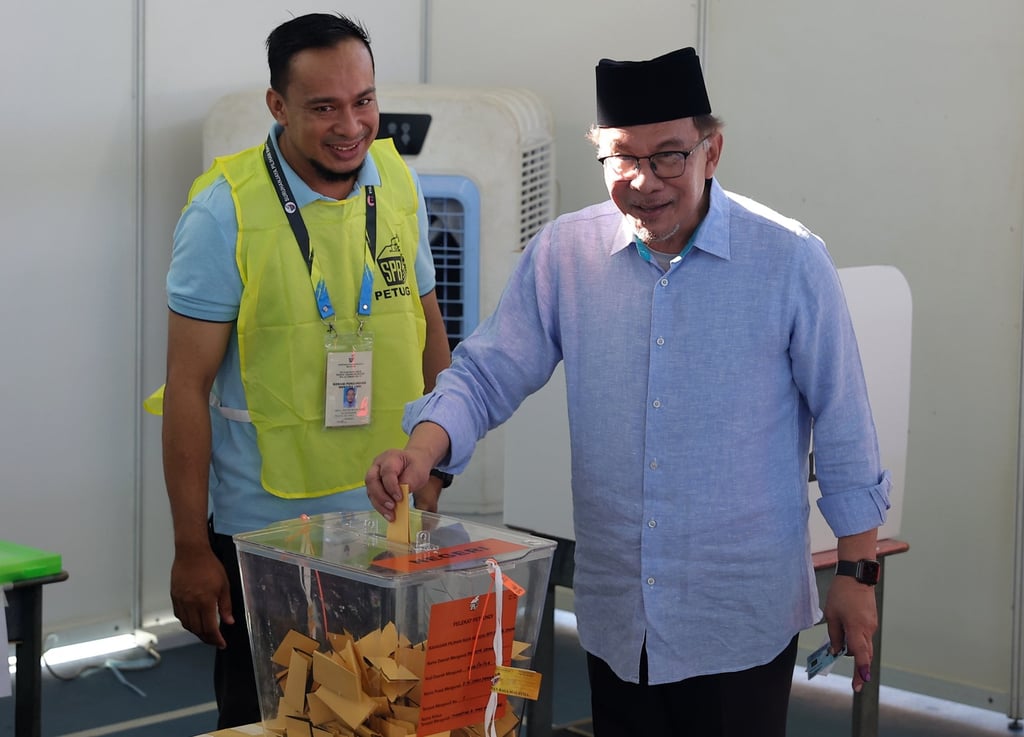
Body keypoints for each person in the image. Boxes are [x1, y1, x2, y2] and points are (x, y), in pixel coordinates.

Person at [365, 47, 891, 737]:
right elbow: (487, 371)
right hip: (621, 616)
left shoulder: (789, 261)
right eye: (622, 158)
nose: (645, 181)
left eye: (669, 155)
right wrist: (424, 451)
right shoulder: (565, 253)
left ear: (713, 149)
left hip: (737, 617)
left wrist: (856, 571)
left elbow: (845, 420)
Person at [158, 13, 451, 728]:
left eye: (364, 101)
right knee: (279, 718)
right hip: (269, 536)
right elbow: (187, 388)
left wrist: (439, 467)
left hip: (388, 517)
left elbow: (429, 331)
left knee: (388, 715)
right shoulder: (223, 211)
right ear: (278, 106)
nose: (351, 125)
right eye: (324, 107)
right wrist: (192, 549)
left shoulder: (394, 179)